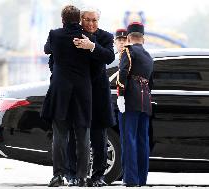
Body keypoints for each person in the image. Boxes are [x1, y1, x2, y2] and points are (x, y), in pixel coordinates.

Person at [41, 5, 95, 187]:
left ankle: (58, 176)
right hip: (82, 93)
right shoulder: (87, 38)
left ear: (63, 19)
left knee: (60, 137)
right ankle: (82, 177)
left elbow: (47, 49)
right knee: (83, 137)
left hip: (61, 93)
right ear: (79, 20)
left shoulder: (55, 35)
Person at [71, 7, 116, 187]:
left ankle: (98, 175)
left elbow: (109, 56)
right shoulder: (73, 35)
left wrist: (92, 47)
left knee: (99, 138)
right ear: (81, 20)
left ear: (99, 20)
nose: (90, 23)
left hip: (98, 93)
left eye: (94, 20)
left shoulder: (106, 37)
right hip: (78, 92)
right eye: (87, 20)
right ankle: (75, 175)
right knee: (76, 137)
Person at [116, 22, 154, 187]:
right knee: (142, 140)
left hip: (130, 99)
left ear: (129, 38)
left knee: (128, 138)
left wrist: (121, 96)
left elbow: (122, 74)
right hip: (145, 102)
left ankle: (131, 179)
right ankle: (141, 178)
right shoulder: (149, 56)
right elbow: (150, 81)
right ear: (143, 39)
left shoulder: (128, 51)